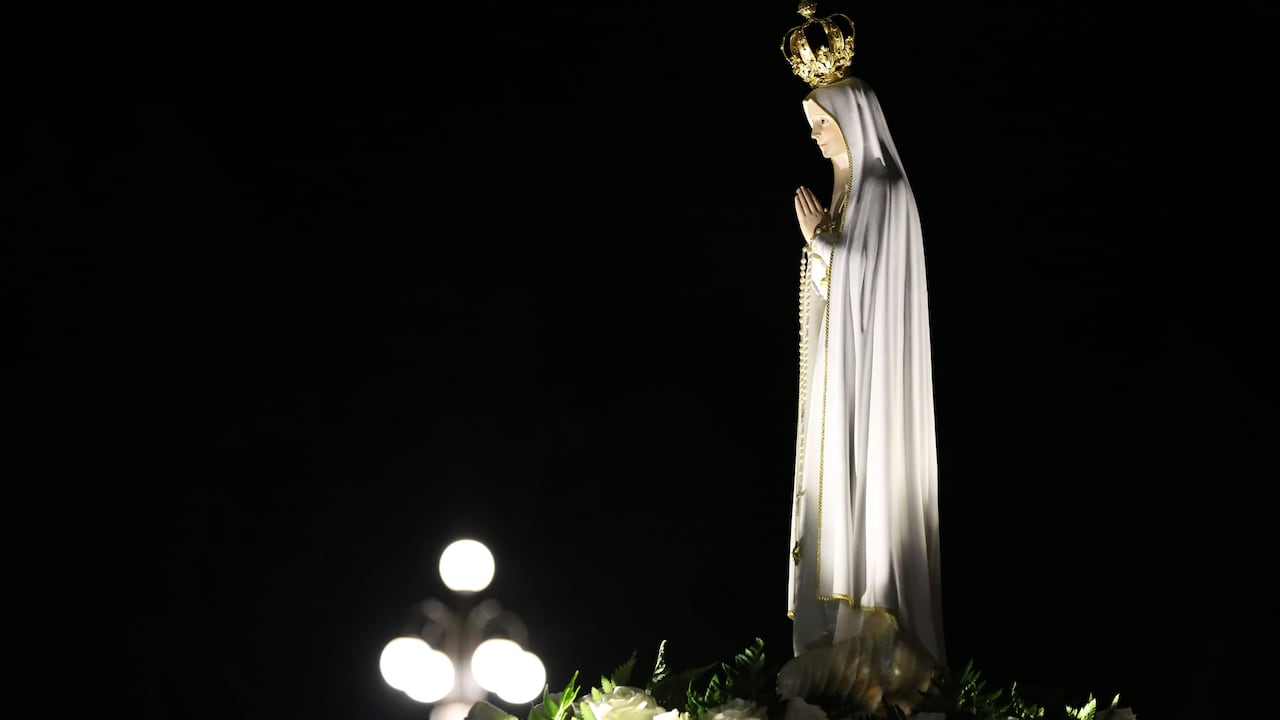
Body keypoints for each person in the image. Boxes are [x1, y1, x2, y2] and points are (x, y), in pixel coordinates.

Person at [780, 75, 945, 711]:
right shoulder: (848, 194)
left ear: (853, 119)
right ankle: (837, 647)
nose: (816, 136)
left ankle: (878, 641)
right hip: (839, 385)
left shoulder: (884, 190)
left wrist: (823, 244)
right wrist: (825, 247)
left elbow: (875, 289)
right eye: (812, 124)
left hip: (875, 392)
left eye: (822, 122)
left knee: (870, 495)